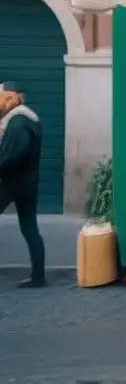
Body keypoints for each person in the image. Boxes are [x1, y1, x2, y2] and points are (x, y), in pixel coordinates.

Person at [0, 82, 46, 287]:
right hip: (25, 183)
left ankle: (38, 277)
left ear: (11, 98)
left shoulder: (18, 123)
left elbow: (10, 157)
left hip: (11, 182)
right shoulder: (26, 120)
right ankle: (38, 276)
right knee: (29, 228)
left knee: (29, 228)